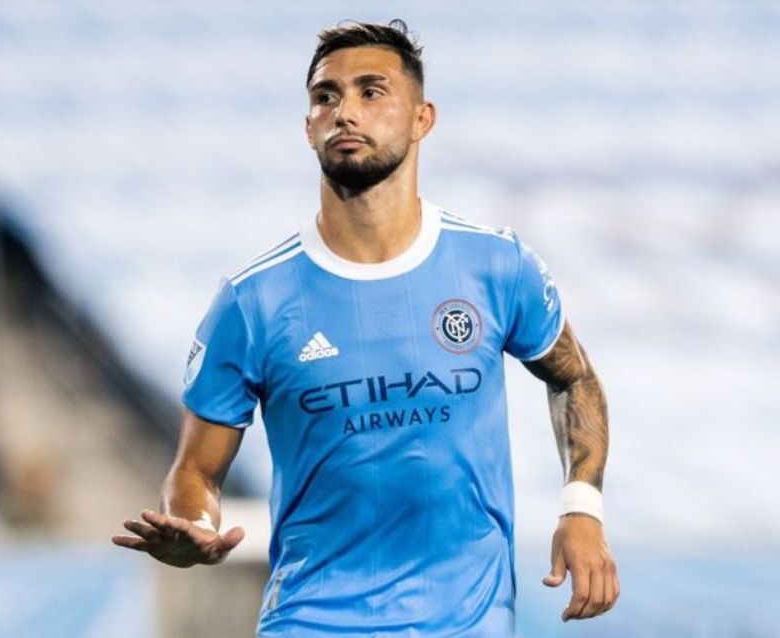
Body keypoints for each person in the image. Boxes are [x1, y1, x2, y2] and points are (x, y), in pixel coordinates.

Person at [113, 19, 619, 636]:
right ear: (308, 127)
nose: (345, 112)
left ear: (422, 118)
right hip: (311, 620)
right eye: (326, 97)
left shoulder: (495, 265)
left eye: (371, 91)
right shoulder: (253, 301)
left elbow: (573, 378)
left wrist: (582, 507)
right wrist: (194, 525)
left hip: (467, 622)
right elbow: (195, 471)